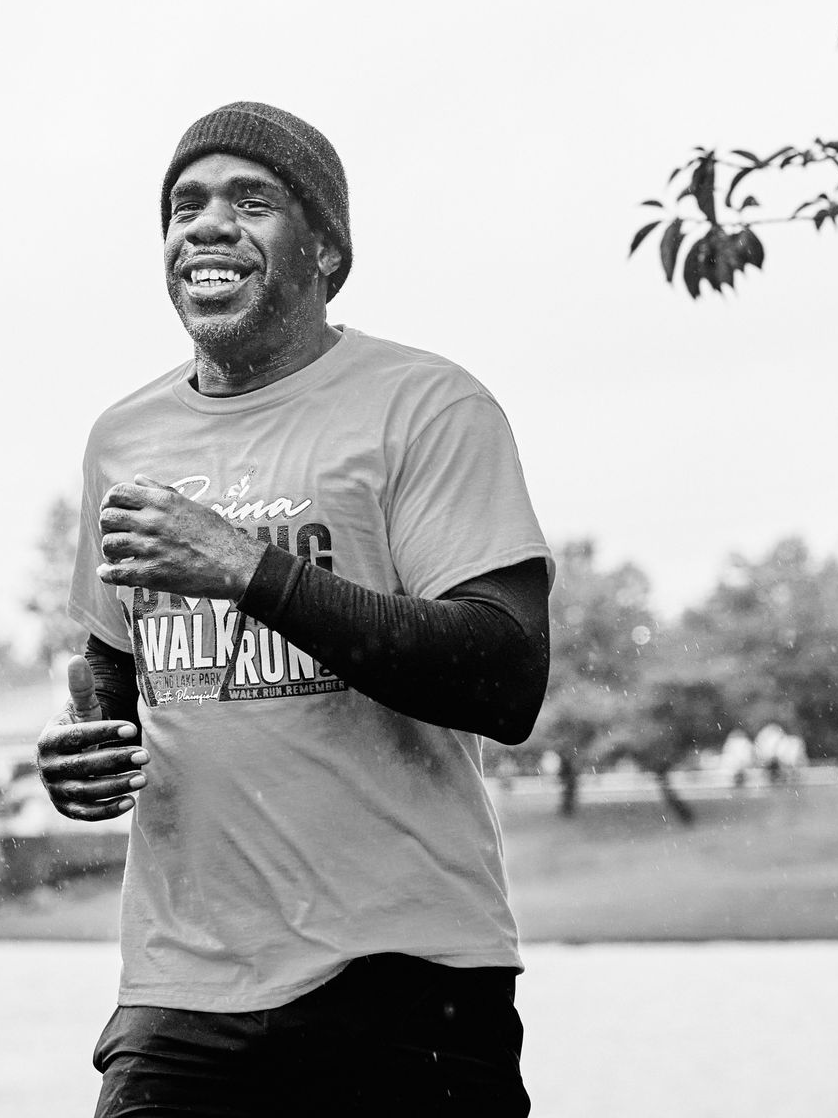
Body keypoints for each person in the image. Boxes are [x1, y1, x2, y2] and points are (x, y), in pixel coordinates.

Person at [37, 102, 552, 1117]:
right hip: (180, 987)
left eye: (251, 201)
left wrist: (246, 565)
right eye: (184, 206)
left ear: (323, 247)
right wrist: (87, 752)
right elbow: (116, 668)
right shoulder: (124, 438)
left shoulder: (429, 407)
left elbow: (504, 674)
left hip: (405, 975)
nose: (207, 225)